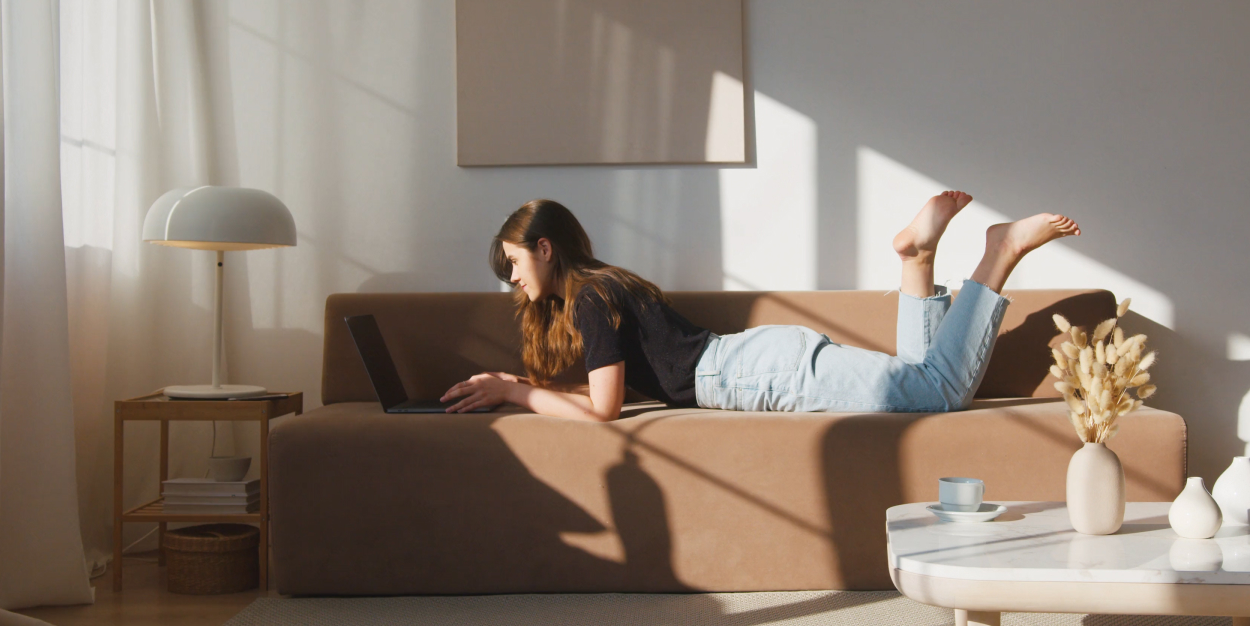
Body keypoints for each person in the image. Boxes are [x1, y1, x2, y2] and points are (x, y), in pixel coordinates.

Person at [441, 195, 1079, 422]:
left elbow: (604, 410)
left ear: (544, 248)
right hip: (752, 363)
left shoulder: (589, 299)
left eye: (515, 266)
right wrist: (521, 384)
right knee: (919, 380)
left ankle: (999, 254)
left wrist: (516, 393)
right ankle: (917, 258)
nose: (516, 284)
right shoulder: (605, 285)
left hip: (753, 375)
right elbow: (603, 386)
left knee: (940, 392)